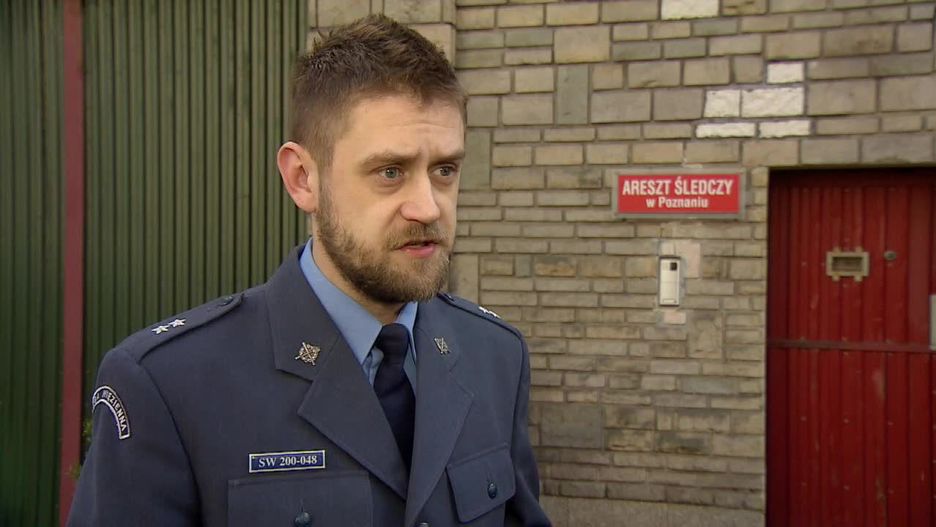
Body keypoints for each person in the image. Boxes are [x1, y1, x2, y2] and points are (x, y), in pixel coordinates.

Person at [68, 14, 551, 527]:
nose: (429, 207)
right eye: (390, 171)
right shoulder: (168, 385)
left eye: (445, 170)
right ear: (303, 179)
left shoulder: (495, 356)